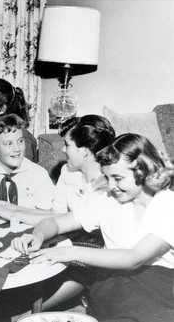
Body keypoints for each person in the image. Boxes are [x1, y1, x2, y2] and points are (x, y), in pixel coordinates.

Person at [12, 133, 174, 322]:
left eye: (118, 178)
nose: (111, 186)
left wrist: (70, 252)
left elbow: (134, 258)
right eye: (107, 177)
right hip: (115, 282)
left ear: (143, 171)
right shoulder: (107, 200)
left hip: (163, 282)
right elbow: (55, 222)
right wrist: (38, 236)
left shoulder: (168, 205)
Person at [0, 115, 115, 225]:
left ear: (85, 151)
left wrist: (13, 215)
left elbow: (60, 221)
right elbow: (54, 214)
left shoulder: (107, 186)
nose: (63, 150)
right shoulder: (68, 172)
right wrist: (12, 208)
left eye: (67, 145)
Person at [0, 114, 54, 215]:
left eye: (20, 141)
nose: (17, 149)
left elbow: (49, 216)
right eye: (8, 144)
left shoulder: (38, 174)